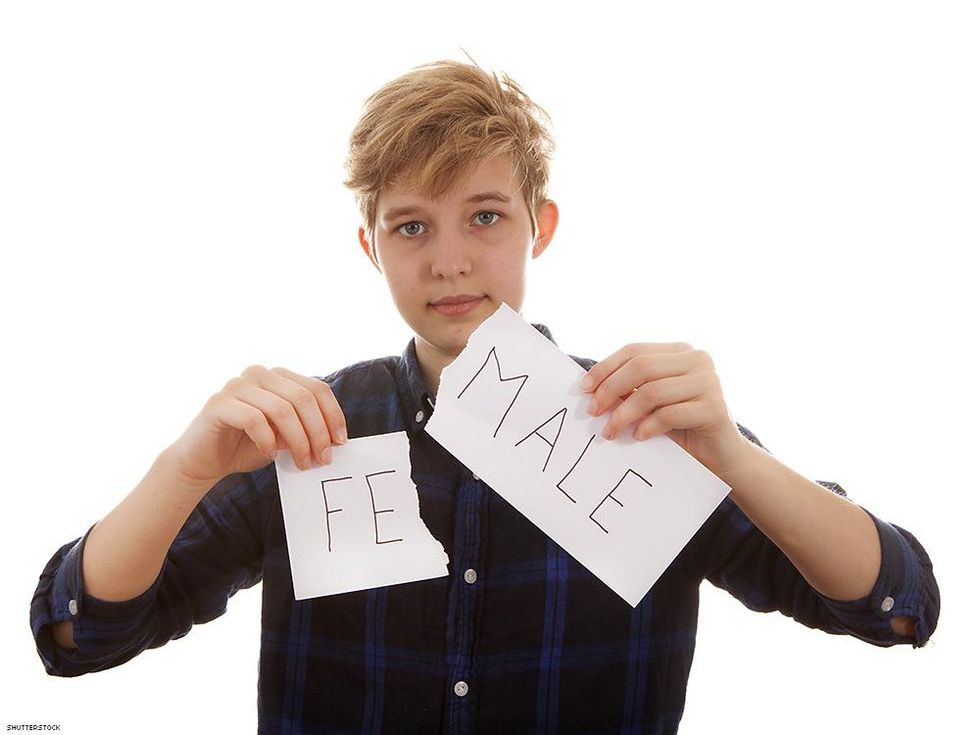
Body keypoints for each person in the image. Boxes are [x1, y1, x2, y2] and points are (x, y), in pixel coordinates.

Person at [30, 60, 940, 733]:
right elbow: (79, 634)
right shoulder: (308, 432)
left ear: (541, 226)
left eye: (486, 216)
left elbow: (895, 605)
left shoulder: (645, 423)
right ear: (370, 246)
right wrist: (184, 467)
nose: (450, 260)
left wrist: (732, 458)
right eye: (411, 226)